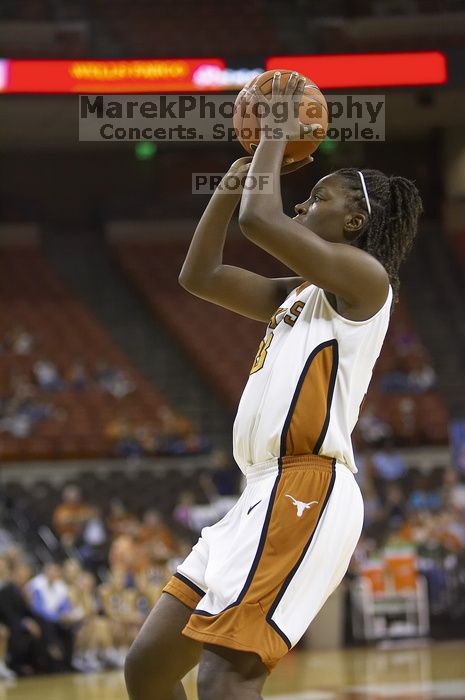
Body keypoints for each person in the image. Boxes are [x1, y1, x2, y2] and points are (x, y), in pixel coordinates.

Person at [124, 72, 422, 700]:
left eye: (316, 200)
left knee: (226, 675)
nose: (299, 207)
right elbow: (199, 274)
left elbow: (260, 221)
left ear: (355, 221)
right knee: (148, 668)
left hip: (307, 488)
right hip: (258, 493)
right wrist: (236, 176)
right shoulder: (299, 296)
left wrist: (276, 131)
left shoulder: (365, 283)